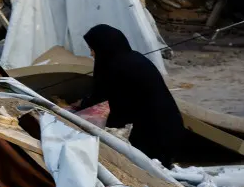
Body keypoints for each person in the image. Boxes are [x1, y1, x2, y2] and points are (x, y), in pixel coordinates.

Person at [77, 24, 186, 166]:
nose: (91, 54)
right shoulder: (133, 58)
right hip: (171, 129)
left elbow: (111, 107)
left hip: (155, 138)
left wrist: (82, 108)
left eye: (92, 49)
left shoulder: (116, 69)